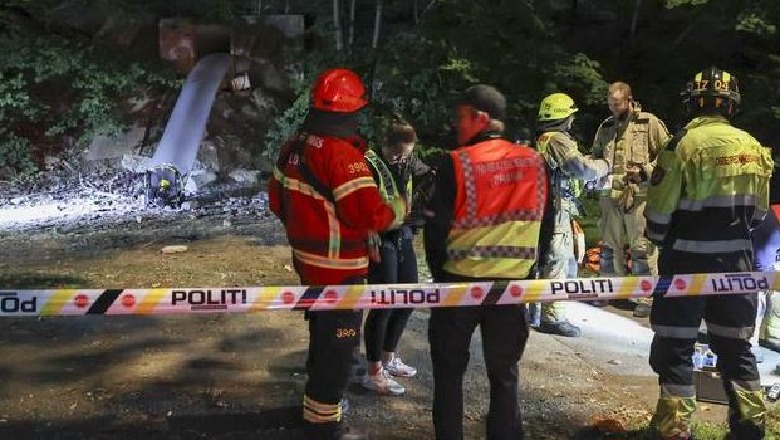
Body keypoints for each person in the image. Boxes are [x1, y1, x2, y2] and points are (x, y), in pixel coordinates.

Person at [268, 67, 407, 440]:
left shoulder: (294, 146)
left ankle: (316, 407)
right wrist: (402, 208)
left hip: (309, 266)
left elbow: (275, 201)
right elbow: (370, 214)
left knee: (323, 337)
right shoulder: (343, 156)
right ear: (351, 111)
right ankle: (324, 423)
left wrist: (309, 228)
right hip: (341, 271)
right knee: (339, 347)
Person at [645, 67, 774, 440]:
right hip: (737, 267)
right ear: (732, 105)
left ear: (693, 102)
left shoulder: (683, 144)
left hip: (685, 264)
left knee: (675, 348)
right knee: (736, 349)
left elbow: (659, 212)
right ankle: (750, 429)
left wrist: (656, 236)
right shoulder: (753, 145)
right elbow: (760, 214)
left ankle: (675, 430)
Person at [424, 84, 554, 440]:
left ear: (480, 118)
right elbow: (547, 224)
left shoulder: (457, 163)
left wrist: (441, 278)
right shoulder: (535, 161)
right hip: (510, 289)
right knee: (505, 372)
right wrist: (530, 270)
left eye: (461, 118)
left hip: (459, 286)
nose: (457, 125)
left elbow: (435, 231)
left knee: (449, 372)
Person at [361, 118, 431, 395]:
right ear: (385, 145)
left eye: (407, 154)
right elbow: (361, 202)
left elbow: (429, 177)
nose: (402, 159)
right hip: (381, 238)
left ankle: (389, 357)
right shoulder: (369, 163)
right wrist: (368, 232)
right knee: (383, 305)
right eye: (398, 153)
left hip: (402, 234)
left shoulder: (409, 162)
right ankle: (373, 369)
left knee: (407, 299)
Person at [532, 93, 609, 337]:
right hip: (556, 210)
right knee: (558, 260)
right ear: (565, 118)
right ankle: (552, 317)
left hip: (546, 206)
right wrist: (603, 167)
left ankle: (534, 312)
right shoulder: (558, 140)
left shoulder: (543, 139)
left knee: (545, 260)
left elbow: (566, 175)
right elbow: (581, 169)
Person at [592, 82, 671, 317]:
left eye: (617, 104)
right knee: (608, 248)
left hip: (639, 197)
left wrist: (646, 171)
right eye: (610, 104)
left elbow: (668, 155)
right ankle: (609, 290)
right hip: (610, 195)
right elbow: (596, 154)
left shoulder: (649, 123)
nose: (613, 109)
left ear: (629, 100)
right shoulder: (605, 126)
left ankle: (645, 297)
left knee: (642, 249)